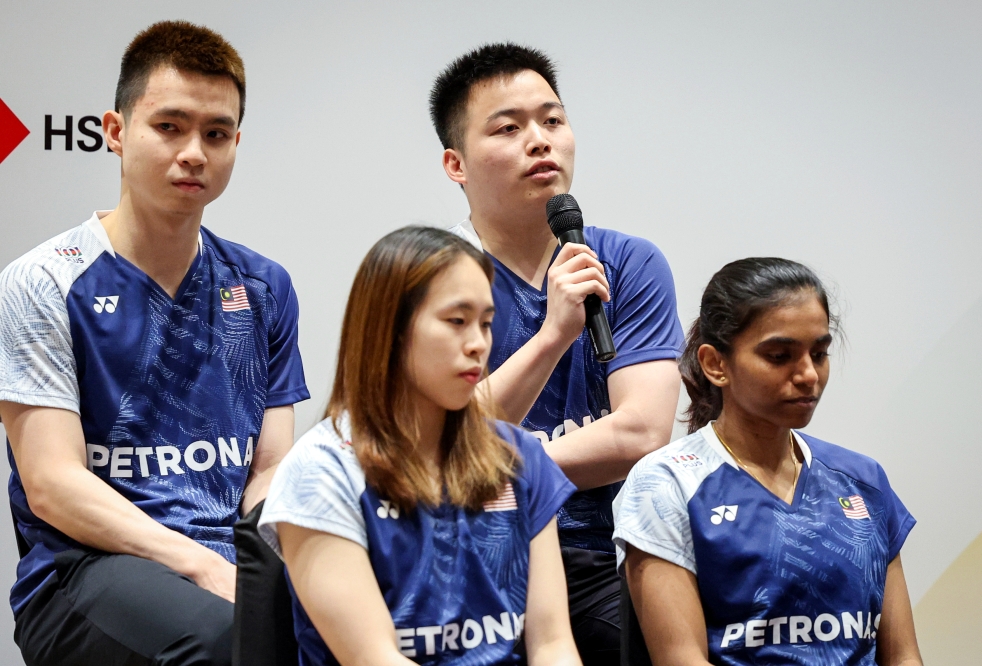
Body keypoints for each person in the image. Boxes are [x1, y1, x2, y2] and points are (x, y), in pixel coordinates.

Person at [0, 21, 309, 666]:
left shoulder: (264, 286)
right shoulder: (44, 281)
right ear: (115, 132)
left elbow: (270, 467)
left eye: (216, 134)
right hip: (85, 570)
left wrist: (271, 563)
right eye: (169, 126)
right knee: (230, 643)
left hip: (229, 563)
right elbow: (53, 483)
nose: (194, 152)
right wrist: (204, 569)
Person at [430, 43, 685, 664]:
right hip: (469, 551)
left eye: (552, 120)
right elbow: (433, 449)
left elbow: (642, 434)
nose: (540, 141)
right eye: (509, 128)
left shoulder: (627, 263)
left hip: (607, 553)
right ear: (456, 164)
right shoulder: (427, 277)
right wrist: (553, 334)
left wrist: (501, 462)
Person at [258, 226, 581, 666]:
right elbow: (375, 659)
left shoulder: (520, 458)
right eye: (456, 321)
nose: (479, 344)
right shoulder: (321, 469)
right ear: (390, 329)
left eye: (486, 323)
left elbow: (553, 645)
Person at [613, 258, 923, 665]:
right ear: (715, 364)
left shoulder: (863, 480)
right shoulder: (667, 483)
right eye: (780, 356)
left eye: (820, 353)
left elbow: (903, 657)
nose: (809, 374)